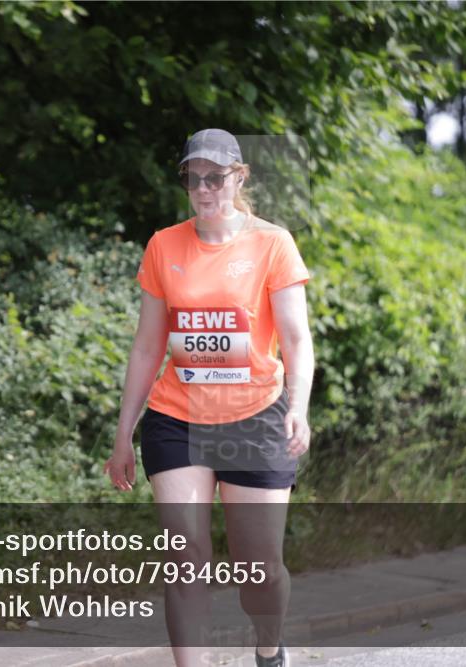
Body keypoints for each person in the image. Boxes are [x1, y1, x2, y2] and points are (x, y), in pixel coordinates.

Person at [104, 129, 314, 667]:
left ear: (238, 178)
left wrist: (298, 406)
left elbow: (295, 338)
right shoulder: (163, 245)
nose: (203, 188)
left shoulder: (272, 243)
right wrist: (123, 432)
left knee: (260, 569)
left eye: (215, 177)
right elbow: (148, 345)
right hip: (177, 419)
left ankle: (269, 650)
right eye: (193, 178)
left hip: (254, 419)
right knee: (185, 558)